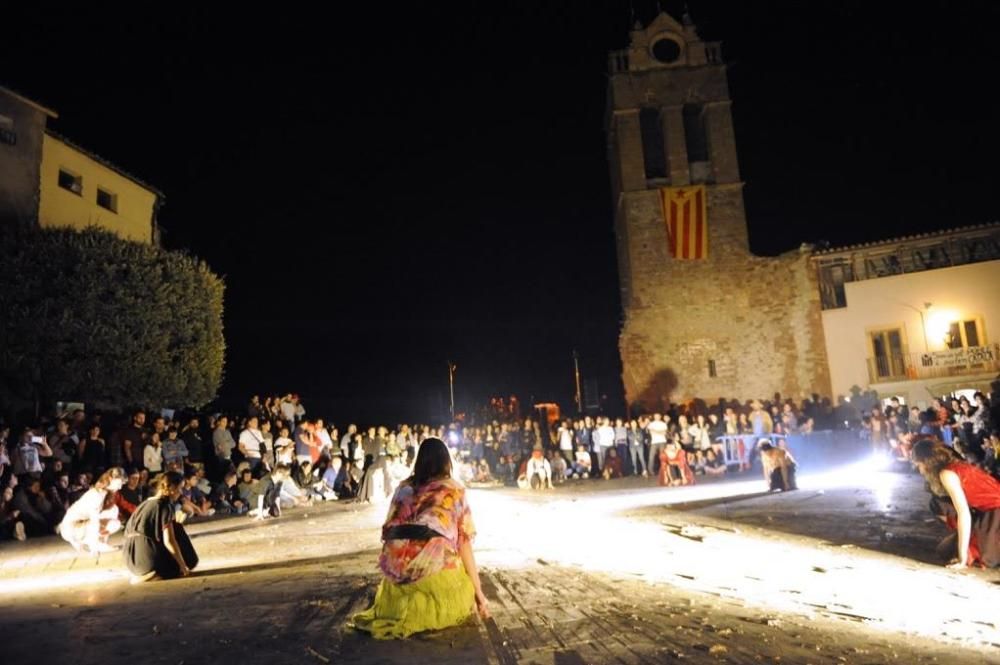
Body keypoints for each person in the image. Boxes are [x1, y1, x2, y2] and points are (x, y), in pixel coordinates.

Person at [352, 437, 489, 639]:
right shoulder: (454, 490)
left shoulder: (403, 488)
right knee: (462, 589)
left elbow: (388, 531)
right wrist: (478, 592)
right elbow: (464, 543)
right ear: (446, 462)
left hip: (397, 567)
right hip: (433, 569)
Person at [912, 438, 1000, 568]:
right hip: (986, 512)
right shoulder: (956, 465)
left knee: (984, 557)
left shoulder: (947, 474)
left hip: (995, 510)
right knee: (945, 549)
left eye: (918, 464)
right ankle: (973, 538)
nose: (919, 470)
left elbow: (963, 513)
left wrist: (962, 558)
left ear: (927, 462)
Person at [123, 471, 199, 583]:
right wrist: (183, 567)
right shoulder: (164, 505)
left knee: (173, 525)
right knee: (176, 527)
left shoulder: (144, 504)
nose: (181, 492)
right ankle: (159, 570)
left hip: (131, 561)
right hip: (148, 561)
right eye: (180, 488)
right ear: (172, 488)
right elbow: (169, 541)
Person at [58, 467, 126, 553]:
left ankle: (96, 543)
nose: (120, 487)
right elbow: (94, 519)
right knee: (112, 522)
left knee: (114, 511)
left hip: (78, 526)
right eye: (119, 483)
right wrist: (94, 546)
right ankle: (93, 543)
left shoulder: (104, 493)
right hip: (70, 528)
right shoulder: (97, 494)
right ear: (111, 479)